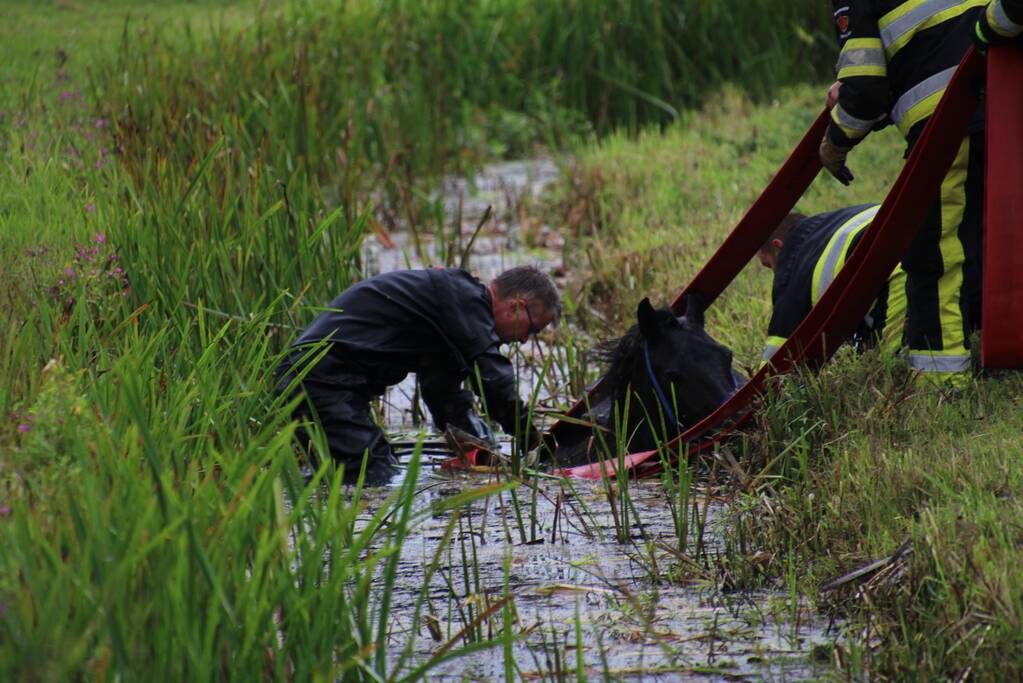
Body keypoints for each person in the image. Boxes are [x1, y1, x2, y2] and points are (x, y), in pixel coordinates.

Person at [819, 1, 987, 387]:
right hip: (1006, 102)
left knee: (935, 255)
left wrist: (835, 141)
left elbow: (867, 92)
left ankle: (941, 386)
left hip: (947, 124)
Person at [276, 265, 561, 485]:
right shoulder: (464, 299)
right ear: (517, 306)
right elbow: (494, 381)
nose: (524, 341)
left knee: (360, 467)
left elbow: (442, 392)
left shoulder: (454, 314)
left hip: (323, 380)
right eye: (532, 330)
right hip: (320, 376)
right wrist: (533, 442)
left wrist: (481, 446)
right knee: (370, 471)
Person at [759, 205, 907, 365]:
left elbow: (779, 360)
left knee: (896, 370)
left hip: (903, 274)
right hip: (926, 233)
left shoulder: (793, 265)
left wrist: (759, 387)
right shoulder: (833, 224)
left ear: (777, 247)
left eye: (769, 265)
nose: (775, 272)